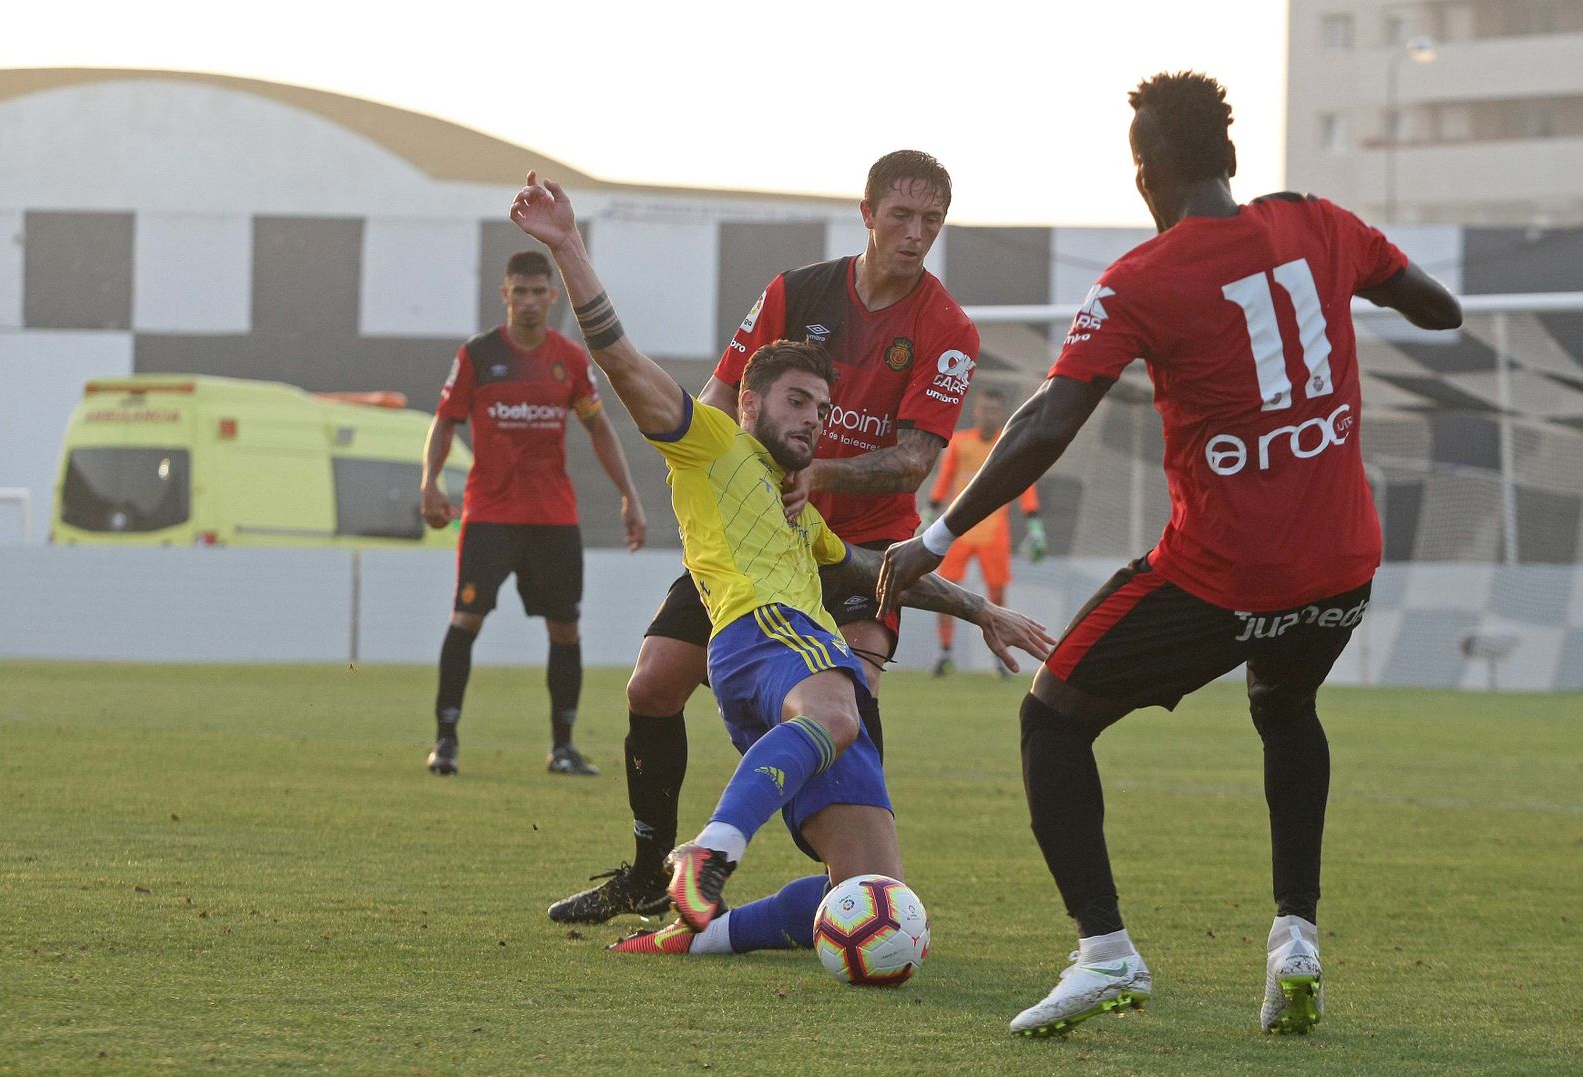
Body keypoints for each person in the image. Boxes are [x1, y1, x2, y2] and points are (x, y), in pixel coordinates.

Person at [878, 71, 1461, 1037]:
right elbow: (1434, 308)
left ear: (1146, 175)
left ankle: (1106, 952)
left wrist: (935, 531)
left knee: (1053, 714)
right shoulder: (1319, 222)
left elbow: (1048, 420)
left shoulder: (1142, 279)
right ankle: (1296, 939)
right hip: (1344, 566)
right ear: (1228, 156)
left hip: (1225, 576)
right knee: (1285, 706)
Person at [509, 171, 1050, 958]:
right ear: (866, 214)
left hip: (843, 547)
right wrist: (712, 464)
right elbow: (637, 364)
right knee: (666, 682)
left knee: (868, 892)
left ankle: (698, 934)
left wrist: (981, 608)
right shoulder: (764, 359)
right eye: (901, 214)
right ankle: (668, 863)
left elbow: (899, 496)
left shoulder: (948, 330)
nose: (916, 231)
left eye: (932, 219)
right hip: (761, 608)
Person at [420, 250, 648, 778]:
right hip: (490, 515)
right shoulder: (479, 355)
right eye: (518, 292)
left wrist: (629, 495)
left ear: (552, 297)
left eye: (537, 292)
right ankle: (446, 739)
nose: (527, 302)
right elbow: (446, 420)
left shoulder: (568, 358)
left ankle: (563, 746)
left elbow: (598, 427)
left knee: (565, 629)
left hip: (553, 518)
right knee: (466, 619)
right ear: (505, 295)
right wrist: (428, 481)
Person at [926, 387, 1047, 677]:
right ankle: (945, 655)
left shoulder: (1008, 443)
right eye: (985, 409)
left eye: (995, 410)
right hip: (958, 529)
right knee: (945, 591)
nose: (989, 415)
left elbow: (1023, 483)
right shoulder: (960, 443)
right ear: (976, 411)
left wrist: (1034, 524)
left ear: (1002, 414)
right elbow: (945, 478)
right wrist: (930, 513)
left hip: (995, 530)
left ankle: (999, 658)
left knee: (997, 595)